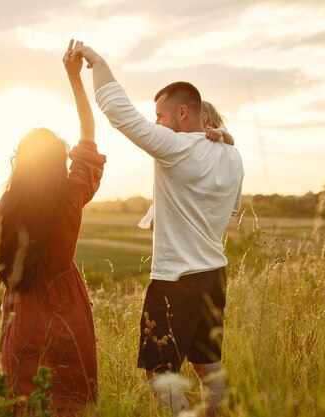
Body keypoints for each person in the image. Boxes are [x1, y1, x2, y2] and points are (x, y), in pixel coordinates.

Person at [73, 42, 244, 416]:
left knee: (161, 375)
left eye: (160, 116)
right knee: (207, 366)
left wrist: (98, 62)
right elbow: (230, 208)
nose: (156, 124)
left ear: (182, 113)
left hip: (176, 281)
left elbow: (121, 115)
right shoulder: (233, 155)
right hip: (214, 274)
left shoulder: (177, 149)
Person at [0, 40, 105, 416]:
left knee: (24, 402)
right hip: (67, 312)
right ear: (58, 164)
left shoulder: (8, 206)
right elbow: (88, 132)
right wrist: (74, 79)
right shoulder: (71, 195)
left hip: (23, 319)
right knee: (71, 402)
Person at [139, 101, 236, 230]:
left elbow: (229, 140)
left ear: (204, 119)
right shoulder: (184, 145)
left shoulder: (212, 139)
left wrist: (221, 133)